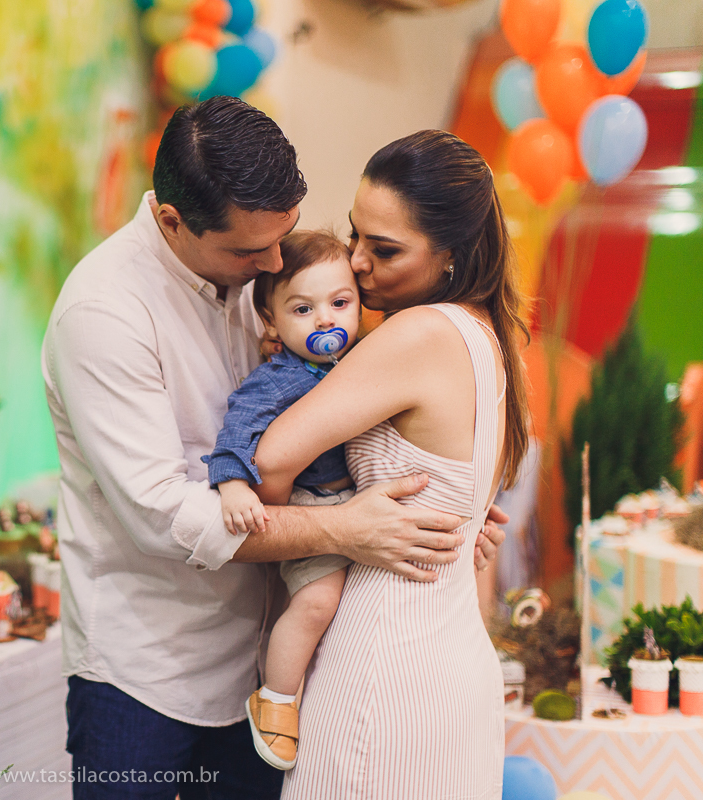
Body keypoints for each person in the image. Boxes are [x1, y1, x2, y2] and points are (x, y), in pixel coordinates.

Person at [42, 97, 506, 800]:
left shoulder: (266, 274)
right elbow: (162, 514)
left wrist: (450, 506)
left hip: (263, 661)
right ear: (172, 221)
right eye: (247, 251)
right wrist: (344, 528)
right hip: (147, 672)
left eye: (283, 236)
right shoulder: (105, 311)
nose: (276, 262)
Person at [251, 130, 530, 799]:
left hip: (386, 665)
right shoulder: (489, 336)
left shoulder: (419, 333)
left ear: (451, 254)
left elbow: (270, 459)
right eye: (355, 235)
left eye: (384, 249)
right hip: (454, 667)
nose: (356, 262)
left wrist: (312, 538)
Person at [202, 230, 361, 770]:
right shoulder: (278, 380)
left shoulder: (359, 363)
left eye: (340, 302)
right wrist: (231, 484)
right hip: (311, 506)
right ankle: (275, 700)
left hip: (351, 501)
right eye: (303, 309)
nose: (325, 319)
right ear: (271, 321)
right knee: (316, 603)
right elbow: (236, 431)